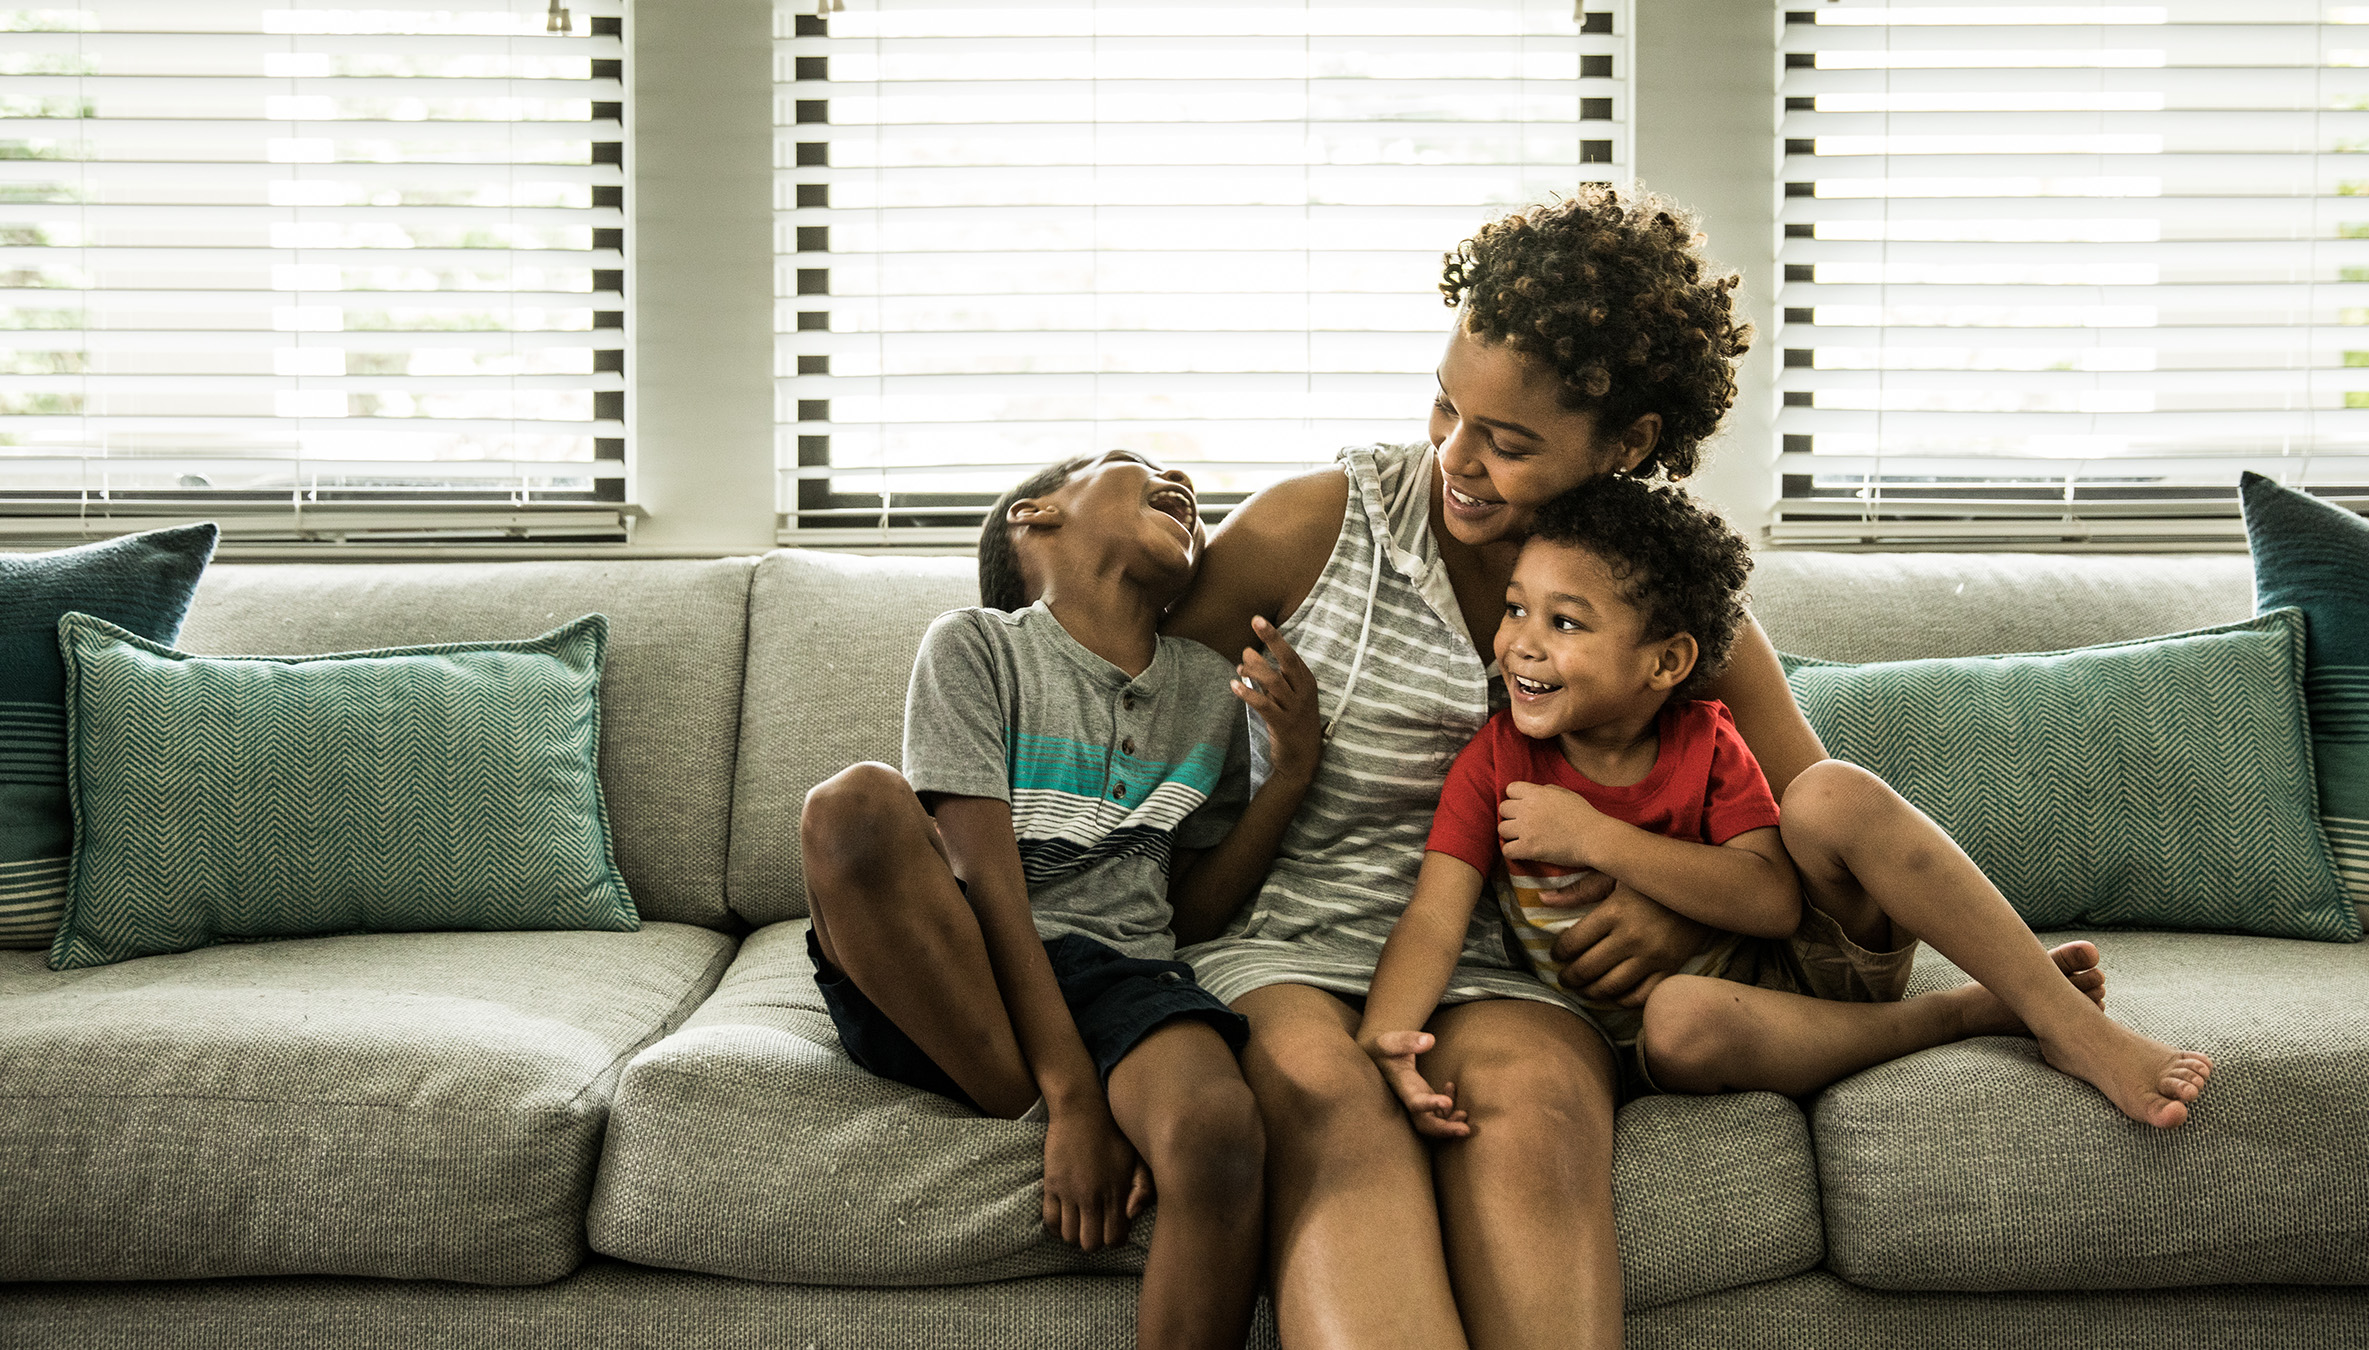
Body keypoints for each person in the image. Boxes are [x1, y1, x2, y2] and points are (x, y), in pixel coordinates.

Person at [1161, 182, 2217, 1350]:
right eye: (1445, 410)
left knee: (1535, 1114)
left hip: (1524, 975)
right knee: (1330, 1108)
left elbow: (1812, 851)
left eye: (1509, 442)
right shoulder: (1312, 528)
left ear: (1626, 445)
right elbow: (1119, 731)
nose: (1456, 458)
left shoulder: (1665, 600)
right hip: (1297, 942)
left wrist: (1669, 902)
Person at [1357, 474, 2139, 1149]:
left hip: (1800, 966)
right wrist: (1387, 1036)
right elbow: (1434, 919)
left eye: (1564, 623)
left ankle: (2068, 1025)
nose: (1520, 645)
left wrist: (1597, 838)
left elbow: (1769, 900)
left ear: (1666, 661)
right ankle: (1958, 1016)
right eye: (1515, 610)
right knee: (1679, 1019)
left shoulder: (1704, 742)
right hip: (1703, 1029)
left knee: (1832, 791)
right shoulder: (1493, 763)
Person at [797, 448, 1323, 1350]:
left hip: (1123, 974)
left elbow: (1189, 912)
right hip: (961, 960)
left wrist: (1291, 771)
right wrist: (1075, 1098)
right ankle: (1036, 1104)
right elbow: (987, 884)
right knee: (852, 804)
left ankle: (1066, 1105)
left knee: (1219, 1130)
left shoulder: (1208, 690)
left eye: (1193, 497)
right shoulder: (977, 647)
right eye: (1134, 465)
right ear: (1036, 517)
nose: (1186, 488)